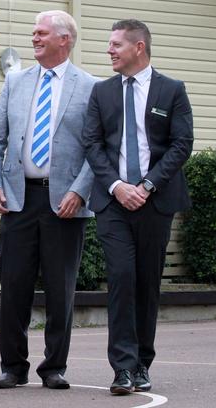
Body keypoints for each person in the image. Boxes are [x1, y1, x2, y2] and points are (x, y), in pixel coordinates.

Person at [0, 10, 95, 389]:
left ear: (65, 39)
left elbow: (99, 149)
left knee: (61, 290)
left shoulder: (91, 86)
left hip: (65, 203)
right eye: (33, 33)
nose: (34, 38)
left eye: (42, 33)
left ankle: (54, 368)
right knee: (14, 287)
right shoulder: (15, 82)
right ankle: (12, 367)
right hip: (18, 199)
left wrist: (80, 191)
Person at [82, 19, 194, 395]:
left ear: (139, 48)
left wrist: (146, 186)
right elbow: (92, 144)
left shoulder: (172, 90)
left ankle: (143, 362)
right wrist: (117, 186)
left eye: (115, 44)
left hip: (155, 201)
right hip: (113, 203)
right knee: (121, 279)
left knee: (147, 283)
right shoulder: (102, 92)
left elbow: (181, 144)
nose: (109, 50)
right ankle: (122, 369)